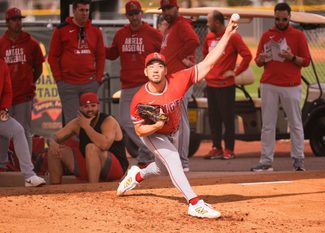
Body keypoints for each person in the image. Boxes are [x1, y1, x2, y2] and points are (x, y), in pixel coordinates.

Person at [116, 17, 239, 218]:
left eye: (160, 66)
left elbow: (209, 62)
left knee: (163, 168)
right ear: (146, 72)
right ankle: (194, 202)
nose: (156, 69)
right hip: (152, 133)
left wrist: (227, 34)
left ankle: (136, 174)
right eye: (152, 67)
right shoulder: (139, 99)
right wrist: (156, 124)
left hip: (173, 130)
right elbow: (139, 131)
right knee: (173, 158)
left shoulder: (179, 79)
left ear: (166, 70)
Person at [251, 2, 311, 172]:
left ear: (289, 17)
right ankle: (266, 161)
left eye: (284, 19)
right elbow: (257, 61)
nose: (280, 22)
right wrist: (263, 58)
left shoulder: (298, 35)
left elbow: (306, 61)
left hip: (291, 85)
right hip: (269, 83)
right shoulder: (266, 35)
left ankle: (298, 160)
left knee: (295, 123)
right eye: (277, 19)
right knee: (268, 125)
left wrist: (291, 57)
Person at [105, 0, 162, 168]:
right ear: (127, 16)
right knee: (126, 121)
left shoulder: (152, 33)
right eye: (131, 14)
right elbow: (112, 54)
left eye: (137, 13)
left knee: (147, 123)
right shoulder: (121, 34)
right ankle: (151, 149)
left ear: (141, 14)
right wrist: (96, 48)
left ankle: (146, 158)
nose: (134, 17)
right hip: (128, 86)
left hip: (146, 85)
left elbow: (165, 53)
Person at [47, 92, 129, 184]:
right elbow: (54, 136)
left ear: (98, 106)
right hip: (89, 166)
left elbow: (104, 145)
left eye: (93, 106)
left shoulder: (108, 121)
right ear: (80, 108)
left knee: (91, 147)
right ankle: (55, 188)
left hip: (115, 169)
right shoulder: (77, 123)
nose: (90, 109)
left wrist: (86, 127)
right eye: (86, 106)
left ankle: (92, 188)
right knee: (53, 149)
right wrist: (52, 142)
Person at [203, 10, 252, 160]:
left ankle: (229, 149)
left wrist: (235, 72)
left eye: (209, 21)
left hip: (225, 86)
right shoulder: (209, 37)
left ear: (217, 23)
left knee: (227, 119)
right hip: (211, 85)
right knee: (214, 119)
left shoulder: (233, 37)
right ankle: (216, 147)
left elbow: (247, 55)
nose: (207, 24)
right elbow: (205, 56)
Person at [0, 7, 45, 167]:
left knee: (24, 131)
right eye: (14, 19)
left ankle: (26, 165)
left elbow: (38, 67)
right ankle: (3, 165)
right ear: (7, 22)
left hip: (23, 96)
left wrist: (28, 82)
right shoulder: (1, 43)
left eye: (20, 19)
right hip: (4, 98)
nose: (18, 22)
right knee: (3, 132)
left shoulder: (31, 43)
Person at [48, 0, 105, 125]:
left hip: (90, 83)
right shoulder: (61, 30)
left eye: (87, 10)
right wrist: (59, 80)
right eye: (81, 10)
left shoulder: (95, 31)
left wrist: (98, 79)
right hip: (68, 84)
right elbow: (52, 57)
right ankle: (74, 145)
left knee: (91, 121)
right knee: (73, 123)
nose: (85, 13)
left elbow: (101, 56)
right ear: (74, 11)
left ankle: (89, 145)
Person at [160, 0, 200, 172]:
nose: (166, 12)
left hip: (180, 78)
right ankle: (174, 159)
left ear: (177, 8)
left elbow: (194, 40)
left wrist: (181, 57)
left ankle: (183, 162)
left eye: (169, 8)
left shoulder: (181, 24)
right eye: (164, 9)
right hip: (171, 79)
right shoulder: (171, 27)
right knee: (172, 120)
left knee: (181, 121)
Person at [0, 59, 46, 187]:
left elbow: (7, 91)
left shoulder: (2, 63)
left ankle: (29, 176)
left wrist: (4, 109)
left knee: (18, 130)